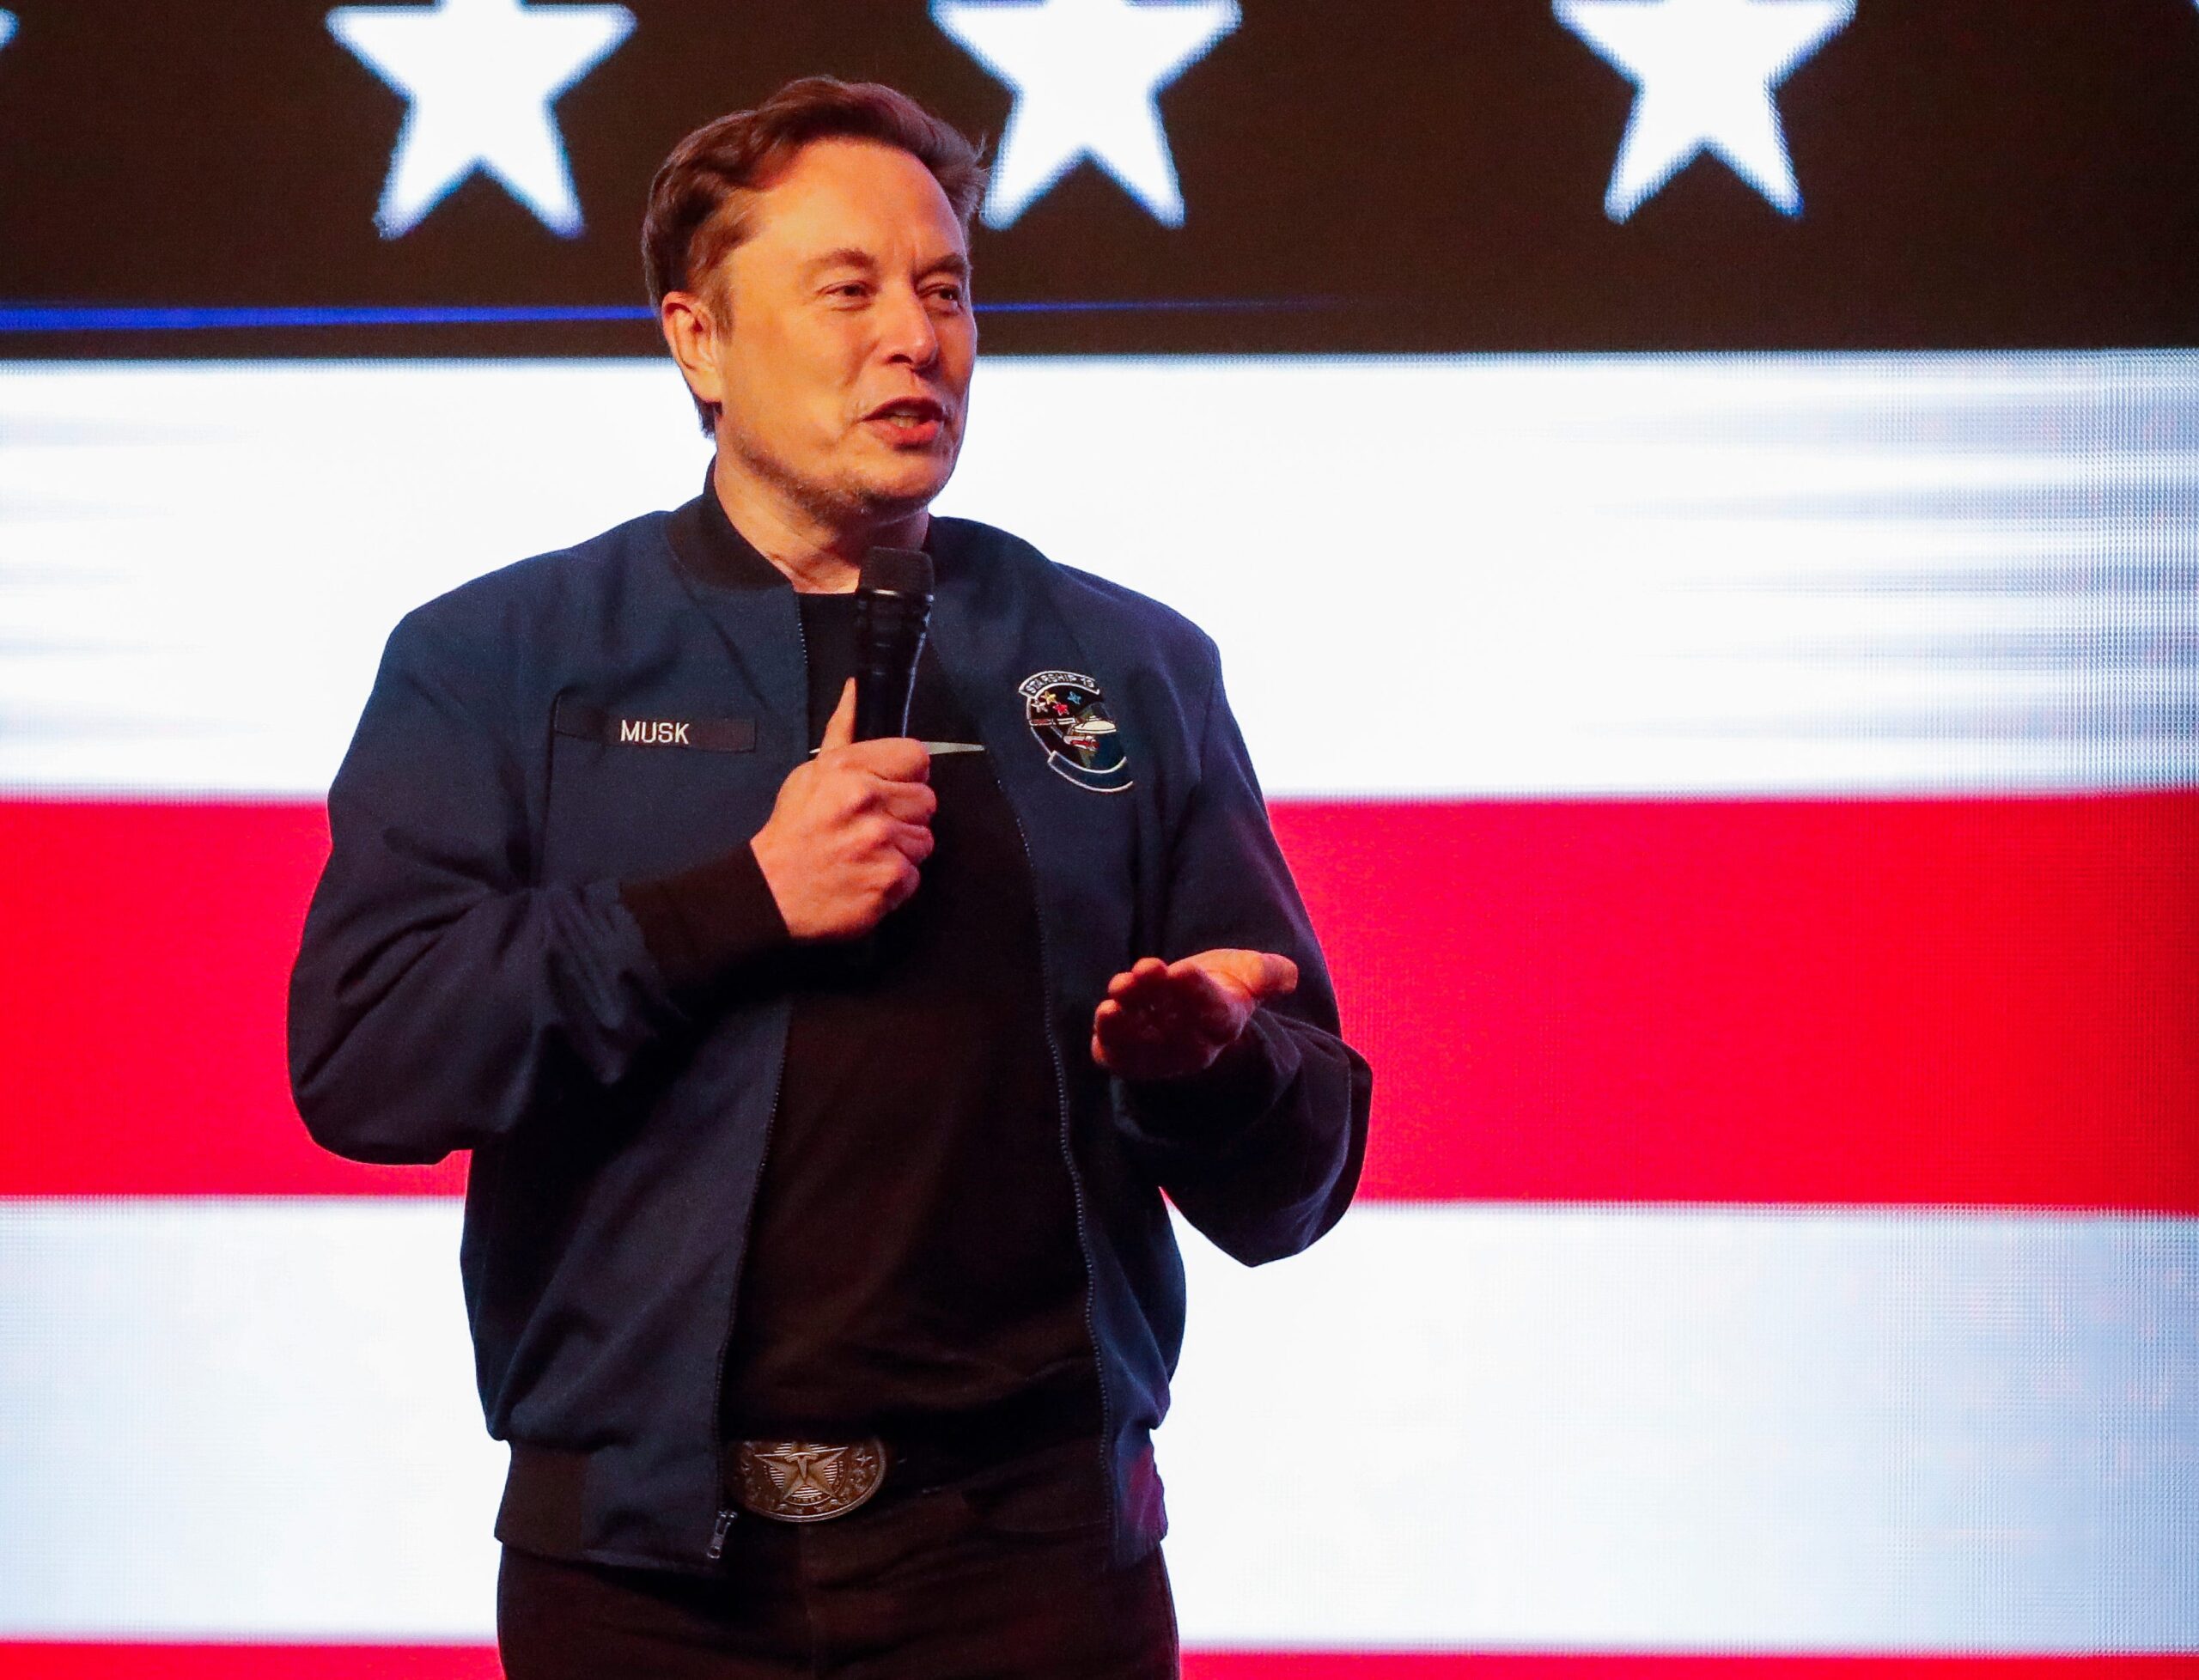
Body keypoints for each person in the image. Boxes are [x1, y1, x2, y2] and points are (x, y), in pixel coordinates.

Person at [288, 76, 1371, 1678]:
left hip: (1031, 1572)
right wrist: (738, 902)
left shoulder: (1127, 668)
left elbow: (1300, 1184)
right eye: (848, 290)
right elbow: (368, 1062)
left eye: (947, 291)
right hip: (643, 1586)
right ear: (700, 342)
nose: (917, 340)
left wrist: (1216, 1073)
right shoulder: (501, 658)